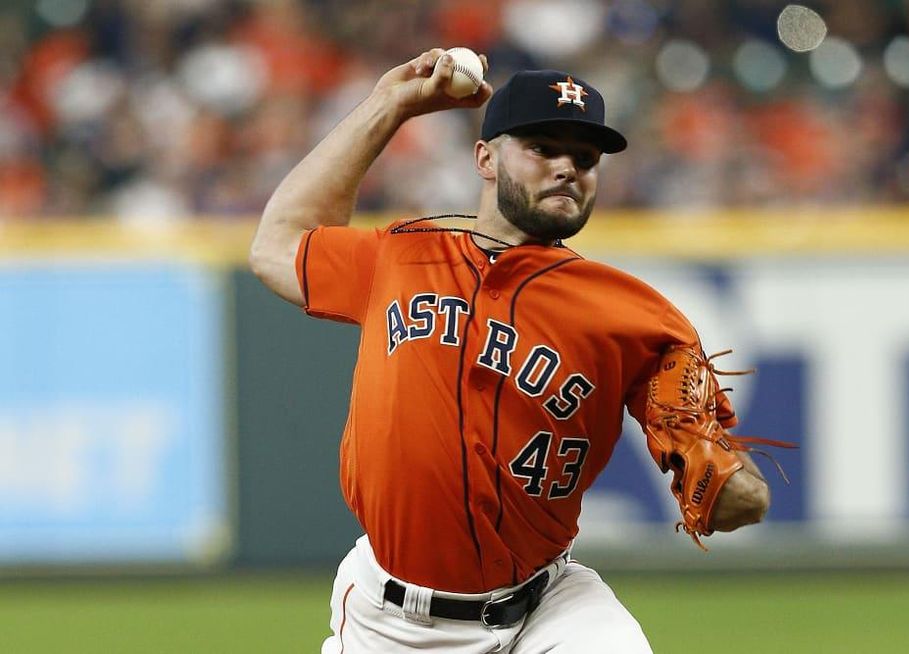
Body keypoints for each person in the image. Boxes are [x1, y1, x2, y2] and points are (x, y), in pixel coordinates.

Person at [249, 48, 772, 653]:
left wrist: (731, 485)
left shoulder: (634, 315)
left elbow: (738, 491)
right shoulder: (401, 256)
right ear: (486, 157)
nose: (566, 168)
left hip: (548, 607)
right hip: (388, 622)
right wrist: (389, 105)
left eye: (584, 157)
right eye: (542, 148)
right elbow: (277, 245)